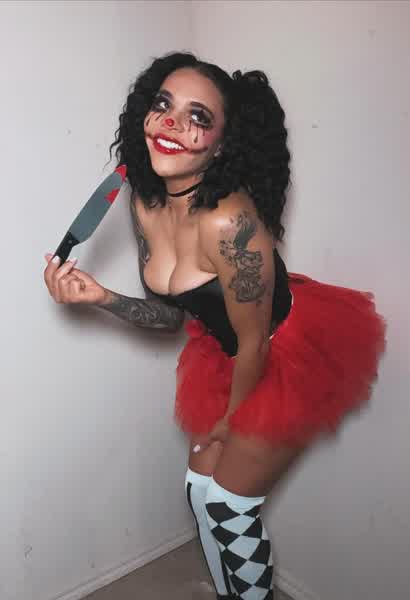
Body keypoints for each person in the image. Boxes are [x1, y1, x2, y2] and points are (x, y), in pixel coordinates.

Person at [44, 51, 387, 600]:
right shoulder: (145, 201)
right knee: (200, 490)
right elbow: (172, 318)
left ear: (221, 145)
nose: (171, 123)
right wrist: (103, 298)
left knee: (230, 507)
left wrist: (230, 421)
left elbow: (254, 345)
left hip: (278, 355)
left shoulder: (230, 222)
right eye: (163, 105)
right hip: (224, 353)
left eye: (198, 117)